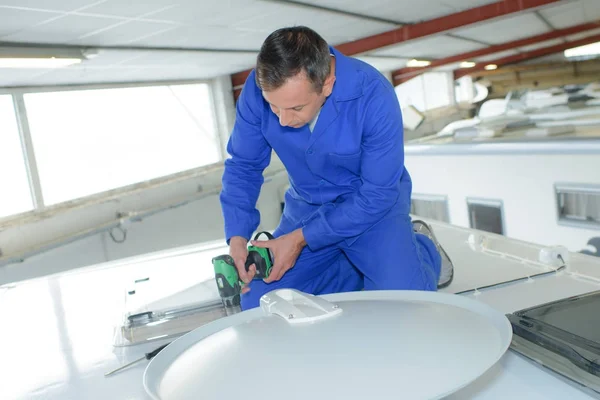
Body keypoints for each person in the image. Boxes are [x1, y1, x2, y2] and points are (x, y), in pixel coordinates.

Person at [219, 26, 454, 310]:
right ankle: (350, 266)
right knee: (260, 304)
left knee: (402, 306)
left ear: (327, 83)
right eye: (273, 107)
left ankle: (424, 249)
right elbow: (243, 165)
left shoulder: (374, 94)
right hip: (307, 206)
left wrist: (300, 240)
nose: (281, 120)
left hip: (371, 209)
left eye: (295, 109)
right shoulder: (257, 91)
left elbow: (377, 194)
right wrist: (237, 237)